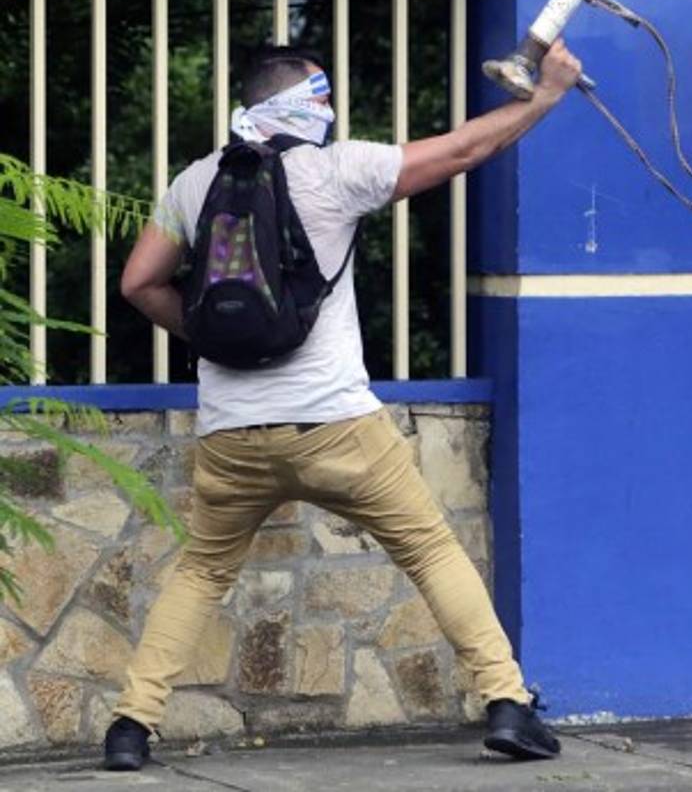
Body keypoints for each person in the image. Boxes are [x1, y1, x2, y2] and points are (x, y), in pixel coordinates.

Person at [105, 39, 583, 771]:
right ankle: (508, 704)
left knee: (201, 572)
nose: (330, 112)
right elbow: (458, 152)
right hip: (336, 426)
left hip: (232, 433)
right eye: (322, 99)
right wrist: (543, 98)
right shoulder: (337, 170)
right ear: (304, 103)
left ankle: (131, 728)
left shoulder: (195, 184)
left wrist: (209, 338)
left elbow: (139, 283)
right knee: (428, 548)